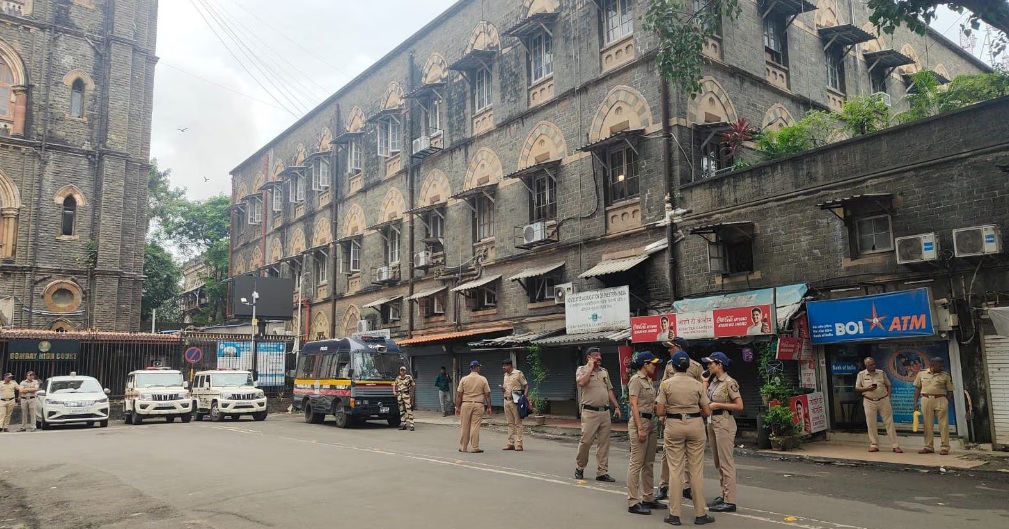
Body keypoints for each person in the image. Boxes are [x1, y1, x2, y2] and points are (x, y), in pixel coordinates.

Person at [657, 351, 714, 526]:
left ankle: (674, 515)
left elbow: (660, 411)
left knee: (675, 470)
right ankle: (700, 514)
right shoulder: (697, 385)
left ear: (673, 367)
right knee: (695, 471)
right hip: (695, 425)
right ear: (688, 366)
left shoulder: (666, 384)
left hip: (674, 425)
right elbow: (707, 411)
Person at [656, 338, 703, 502]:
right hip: (672, 417)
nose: (669, 350)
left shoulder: (696, 367)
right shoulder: (669, 366)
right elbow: (663, 387)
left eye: (671, 347)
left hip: (691, 416)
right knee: (667, 453)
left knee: (691, 457)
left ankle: (687, 486)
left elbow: (702, 390)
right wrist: (662, 415)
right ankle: (663, 485)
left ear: (680, 348)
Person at [702, 352, 743, 513]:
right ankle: (724, 494)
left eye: (711, 363)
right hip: (712, 422)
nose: (708, 366)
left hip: (724, 422)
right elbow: (704, 400)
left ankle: (730, 500)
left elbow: (739, 405)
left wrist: (718, 405)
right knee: (718, 462)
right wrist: (704, 382)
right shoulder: (713, 382)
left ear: (719, 365)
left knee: (726, 462)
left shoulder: (729, 382)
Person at [574, 347, 621, 482]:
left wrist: (616, 406)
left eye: (599, 355)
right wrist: (590, 368)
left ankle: (602, 472)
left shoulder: (604, 371)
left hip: (604, 412)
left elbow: (609, 390)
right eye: (595, 356)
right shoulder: (582, 370)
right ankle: (580, 467)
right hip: (589, 413)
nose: (599, 358)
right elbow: (581, 382)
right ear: (589, 357)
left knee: (604, 444)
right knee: (586, 442)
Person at [626, 351, 664, 515]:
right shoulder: (636, 380)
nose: (654, 366)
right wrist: (640, 427)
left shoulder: (648, 380)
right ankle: (633, 501)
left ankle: (648, 497)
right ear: (645, 364)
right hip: (640, 422)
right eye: (652, 364)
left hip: (651, 421)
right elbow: (633, 404)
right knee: (636, 463)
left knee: (649, 462)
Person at [856, 357, 901, 453]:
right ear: (866, 365)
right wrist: (867, 388)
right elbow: (857, 388)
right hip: (869, 401)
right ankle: (874, 445)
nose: (873, 366)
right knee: (871, 423)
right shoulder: (861, 374)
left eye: (874, 364)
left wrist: (889, 396)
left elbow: (888, 384)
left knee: (889, 422)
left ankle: (895, 445)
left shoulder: (881, 372)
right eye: (871, 364)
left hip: (883, 400)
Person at [914, 357, 955, 455]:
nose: (942, 367)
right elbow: (918, 389)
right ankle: (928, 447)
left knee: (943, 425)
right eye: (939, 366)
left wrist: (946, 401)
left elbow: (950, 390)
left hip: (940, 399)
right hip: (926, 399)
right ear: (932, 365)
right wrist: (915, 402)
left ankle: (945, 447)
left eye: (942, 366)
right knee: (927, 424)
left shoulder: (945, 376)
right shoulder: (921, 374)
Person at [455, 360, 492, 453]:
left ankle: (463, 447)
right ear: (477, 367)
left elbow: (459, 395)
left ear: (471, 368)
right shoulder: (483, 379)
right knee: (475, 426)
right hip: (478, 404)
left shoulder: (464, 379)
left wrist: (457, 407)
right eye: (479, 367)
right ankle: (475, 447)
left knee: (464, 426)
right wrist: (489, 407)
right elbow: (487, 394)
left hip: (466, 404)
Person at [500, 359, 528, 451]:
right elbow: (505, 388)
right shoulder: (505, 375)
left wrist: (524, 397)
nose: (503, 367)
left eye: (505, 365)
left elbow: (526, 385)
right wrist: (502, 389)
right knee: (510, 423)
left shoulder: (518, 373)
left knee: (518, 423)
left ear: (510, 366)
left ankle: (519, 444)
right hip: (506, 400)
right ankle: (510, 443)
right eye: (503, 365)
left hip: (516, 400)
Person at [393, 366, 415, 431]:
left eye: (403, 370)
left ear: (405, 371)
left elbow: (413, 385)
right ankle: (403, 424)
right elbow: (394, 384)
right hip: (399, 395)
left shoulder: (408, 377)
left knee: (408, 410)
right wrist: (394, 391)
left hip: (406, 394)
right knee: (401, 410)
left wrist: (411, 393)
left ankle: (411, 424)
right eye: (401, 370)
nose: (402, 372)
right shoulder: (398, 378)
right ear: (400, 371)